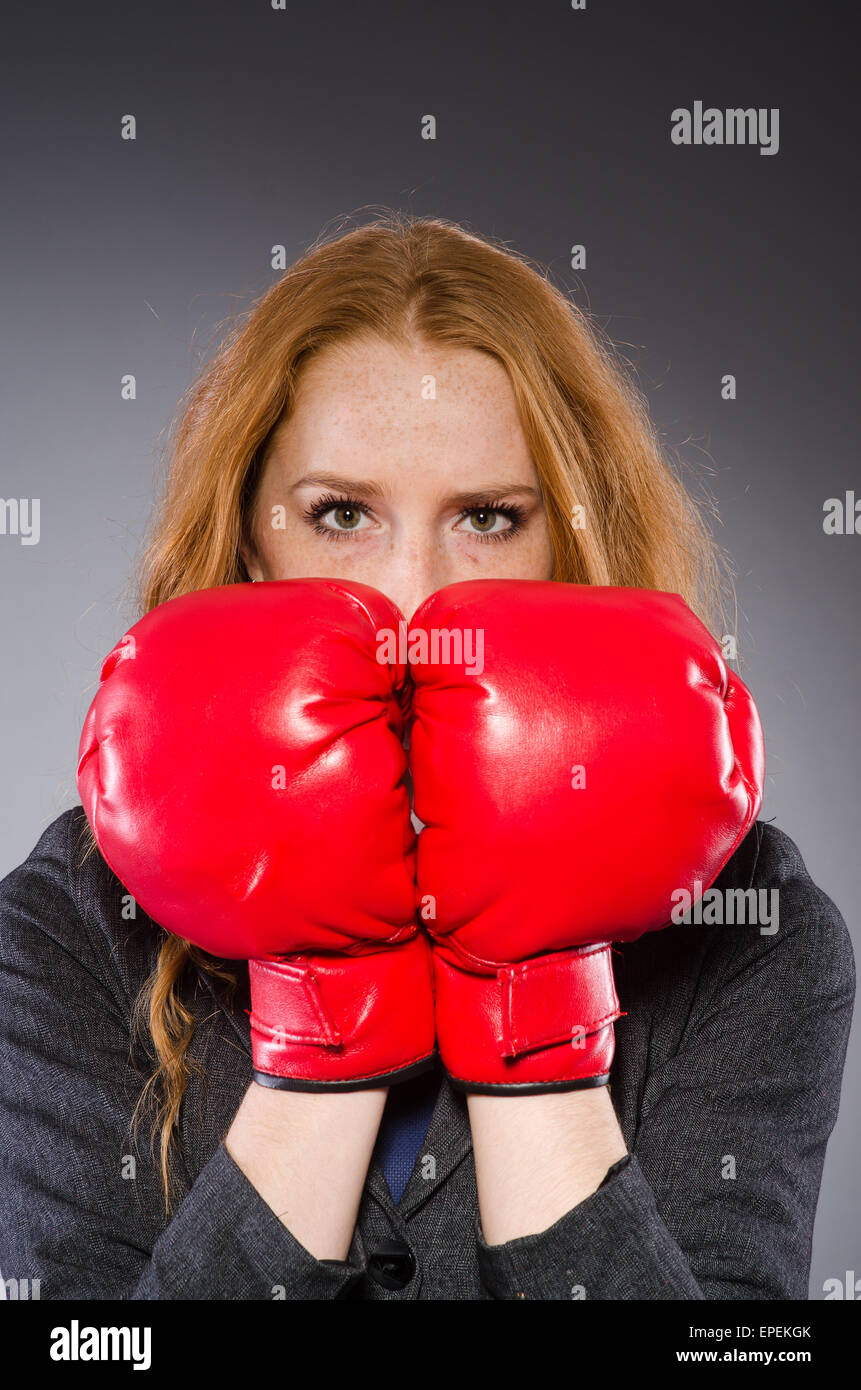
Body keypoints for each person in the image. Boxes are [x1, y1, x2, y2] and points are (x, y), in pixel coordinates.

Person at [0, 214, 853, 1300]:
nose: (413, 600)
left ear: (570, 545)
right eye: (341, 513)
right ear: (249, 540)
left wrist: (534, 1000)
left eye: (490, 518)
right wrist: (327, 1014)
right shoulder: (77, 921)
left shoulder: (750, 927)